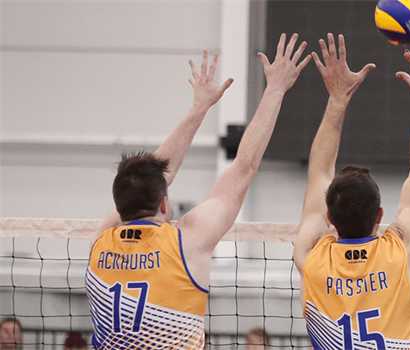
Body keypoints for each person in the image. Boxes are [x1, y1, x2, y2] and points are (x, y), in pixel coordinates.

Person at [85, 34, 311, 349]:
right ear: (164, 203)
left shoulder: (100, 242)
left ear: (118, 206)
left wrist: (199, 107)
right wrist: (274, 89)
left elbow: (161, 173)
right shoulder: (186, 242)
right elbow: (242, 168)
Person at [293, 32, 410, 350]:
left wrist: (337, 100)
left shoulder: (311, 259)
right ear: (380, 215)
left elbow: (318, 174)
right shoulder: (401, 252)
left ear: (329, 216)